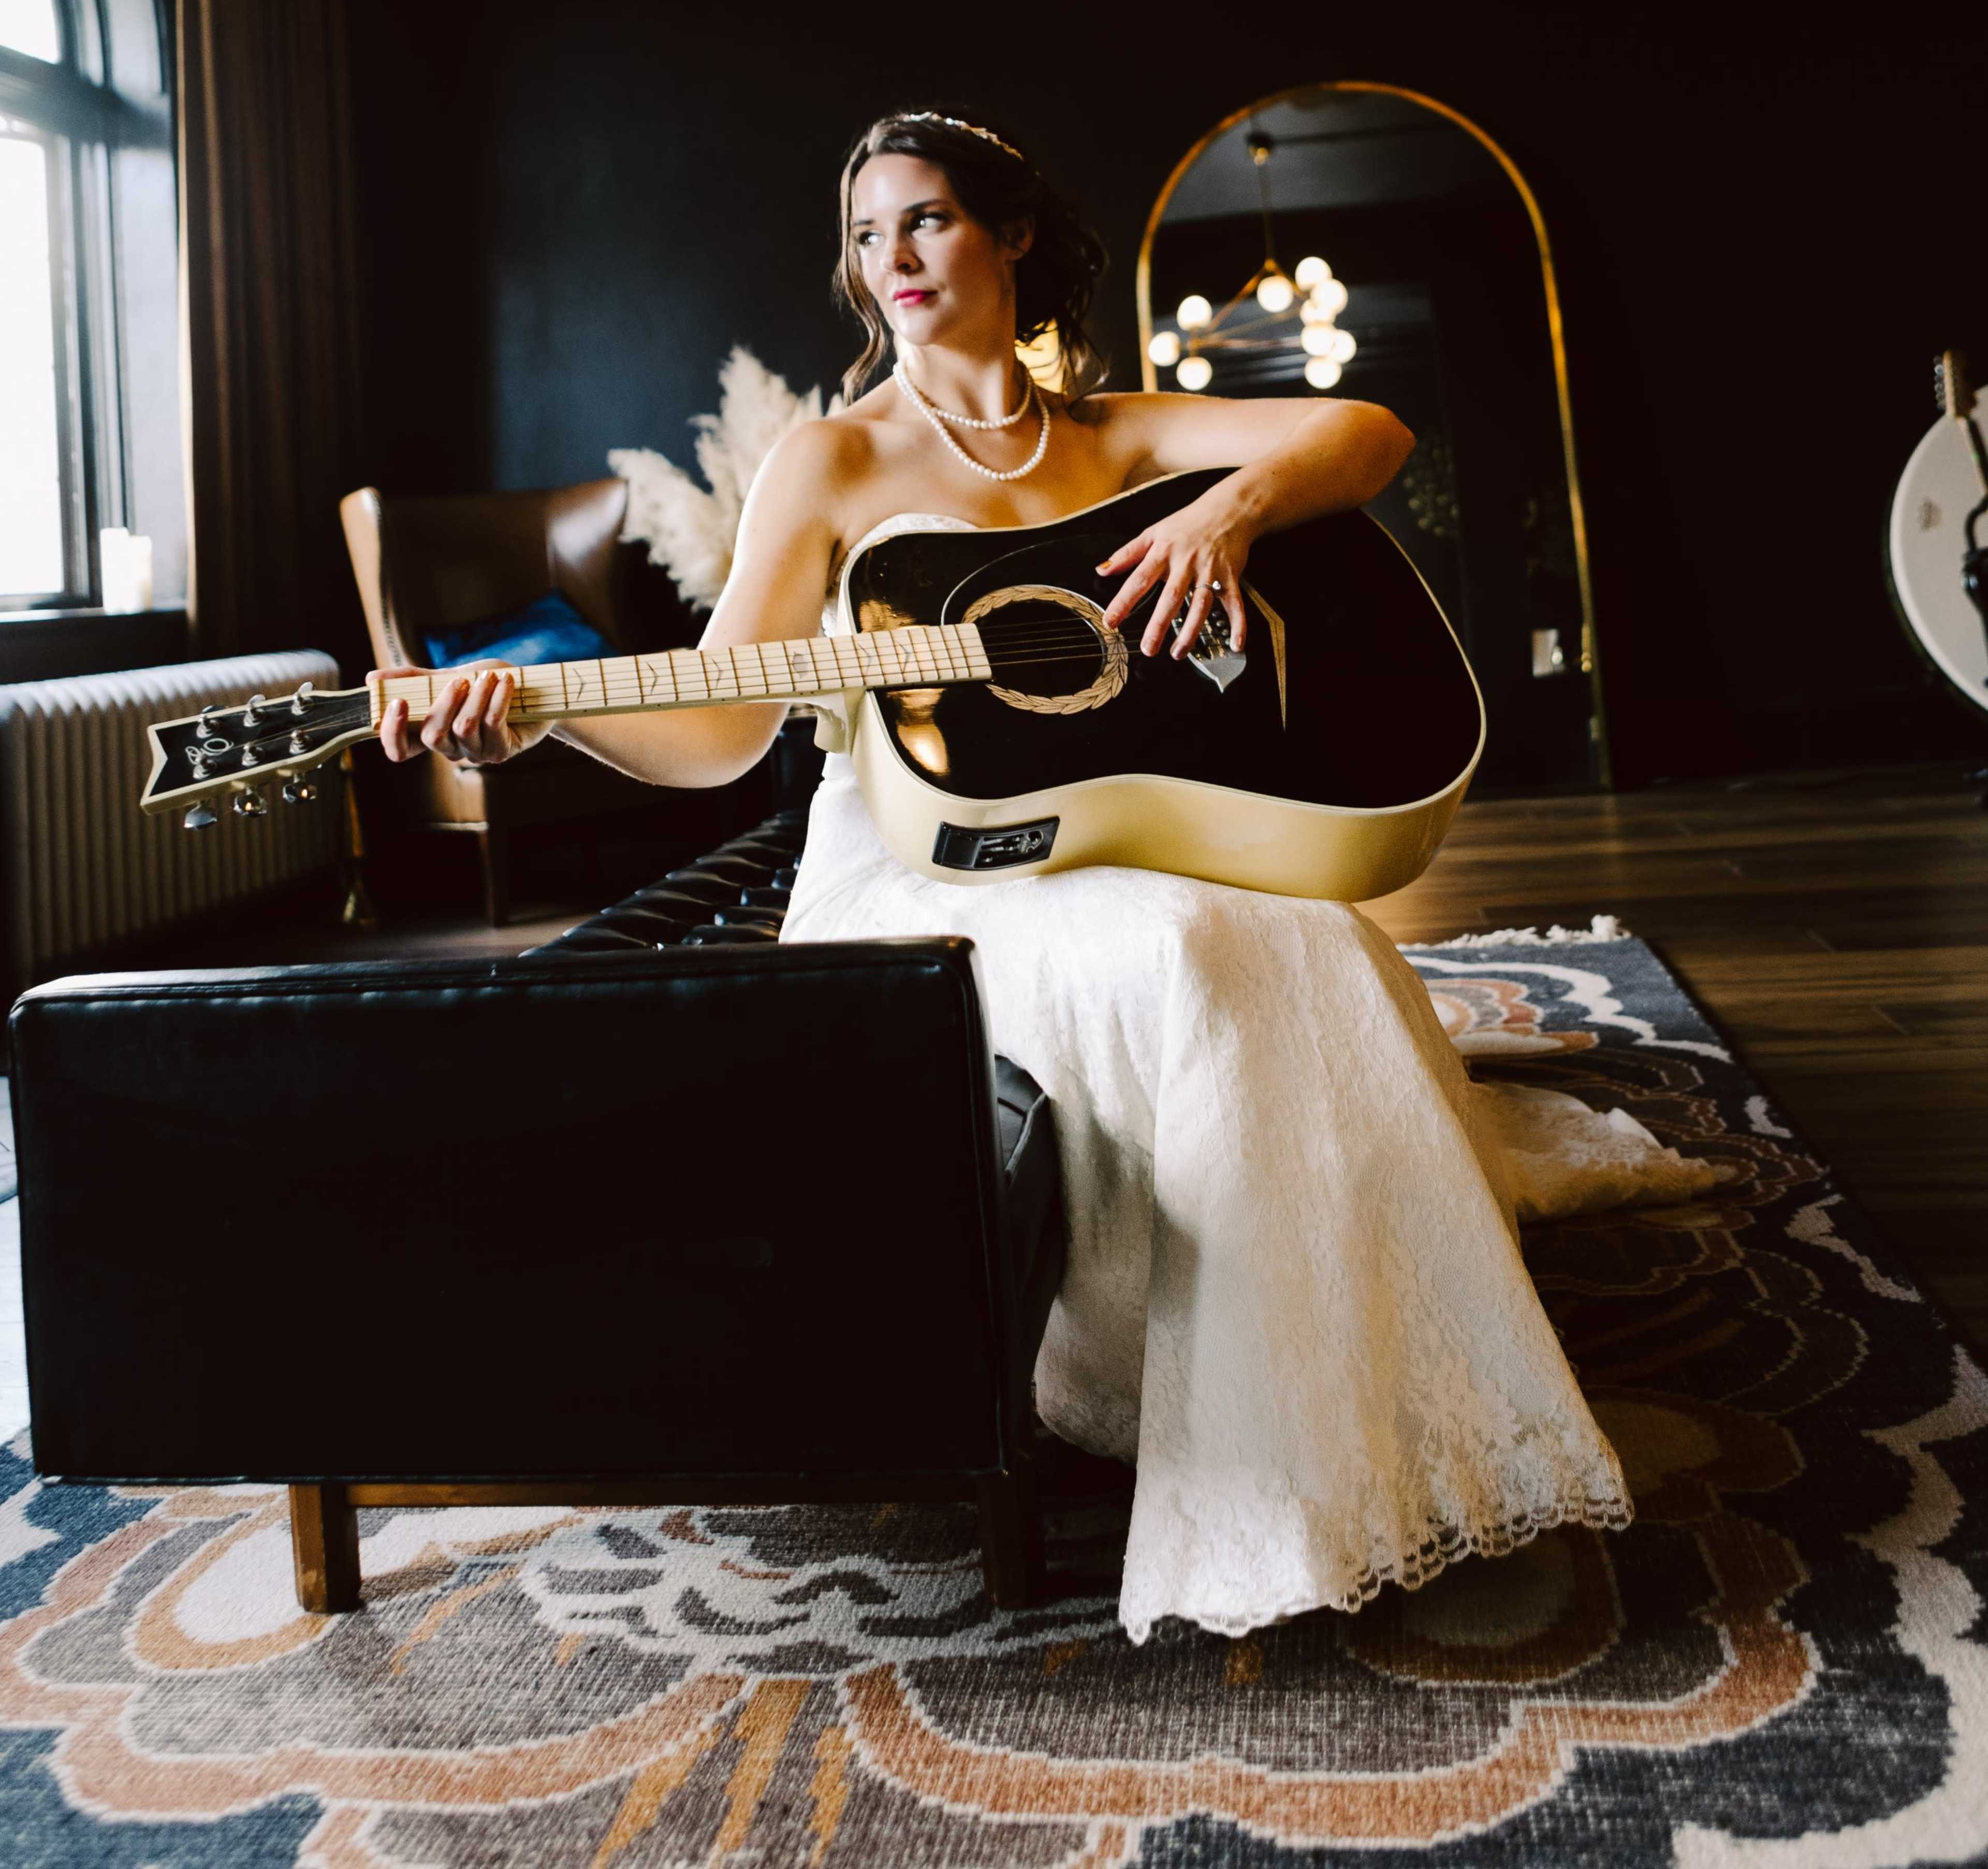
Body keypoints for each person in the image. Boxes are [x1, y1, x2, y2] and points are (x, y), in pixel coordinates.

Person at [384, 109, 1639, 1642]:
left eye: (922, 220)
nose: (889, 258)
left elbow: (1370, 433)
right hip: (929, 878)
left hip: (1118, 832)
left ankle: (1393, 1432)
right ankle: (1255, 1479)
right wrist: (537, 727)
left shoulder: (1115, 434)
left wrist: (1228, 512)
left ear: (1012, 233)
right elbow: (718, 726)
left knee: (1317, 941)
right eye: (864, 234)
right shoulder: (832, 455)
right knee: (1189, 956)